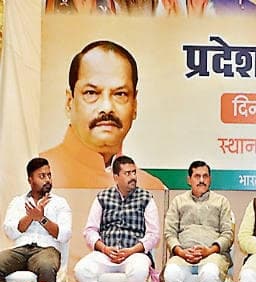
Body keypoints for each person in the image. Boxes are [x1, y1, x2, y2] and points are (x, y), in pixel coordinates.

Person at [40, 40, 164, 189]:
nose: (107, 107)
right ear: (69, 102)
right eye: (91, 93)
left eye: (120, 94)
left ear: (134, 105)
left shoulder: (152, 188)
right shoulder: (35, 177)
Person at [75, 155, 160, 282]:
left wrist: (132, 250)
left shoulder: (146, 198)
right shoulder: (102, 198)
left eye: (134, 172)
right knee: (81, 269)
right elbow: (90, 231)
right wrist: (104, 248)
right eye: (127, 173)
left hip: (134, 253)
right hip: (107, 253)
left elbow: (153, 235)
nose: (133, 177)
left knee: (139, 270)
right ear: (116, 177)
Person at [0, 158, 72, 282]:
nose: (47, 180)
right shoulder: (17, 202)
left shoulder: (60, 203)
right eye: (42, 176)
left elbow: (65, 234)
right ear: (30, 180)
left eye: (49, 175)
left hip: (47, 250)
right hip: (20, 250)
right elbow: (9, 232)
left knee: (46, 266)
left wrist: (41, 219)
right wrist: (30, 217)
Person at [163, 160, 233, 282]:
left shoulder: (221, 202)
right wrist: (181, 252)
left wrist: (209, 251)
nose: (201, 180)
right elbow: (169, 233)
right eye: (197, 176)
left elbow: (228, 234)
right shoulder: (178, 201)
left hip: (213, 256)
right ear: (189, 180)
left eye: (205, 176)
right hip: (182, 256)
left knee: (209, 274)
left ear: (210, 179)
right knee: (171, 273)